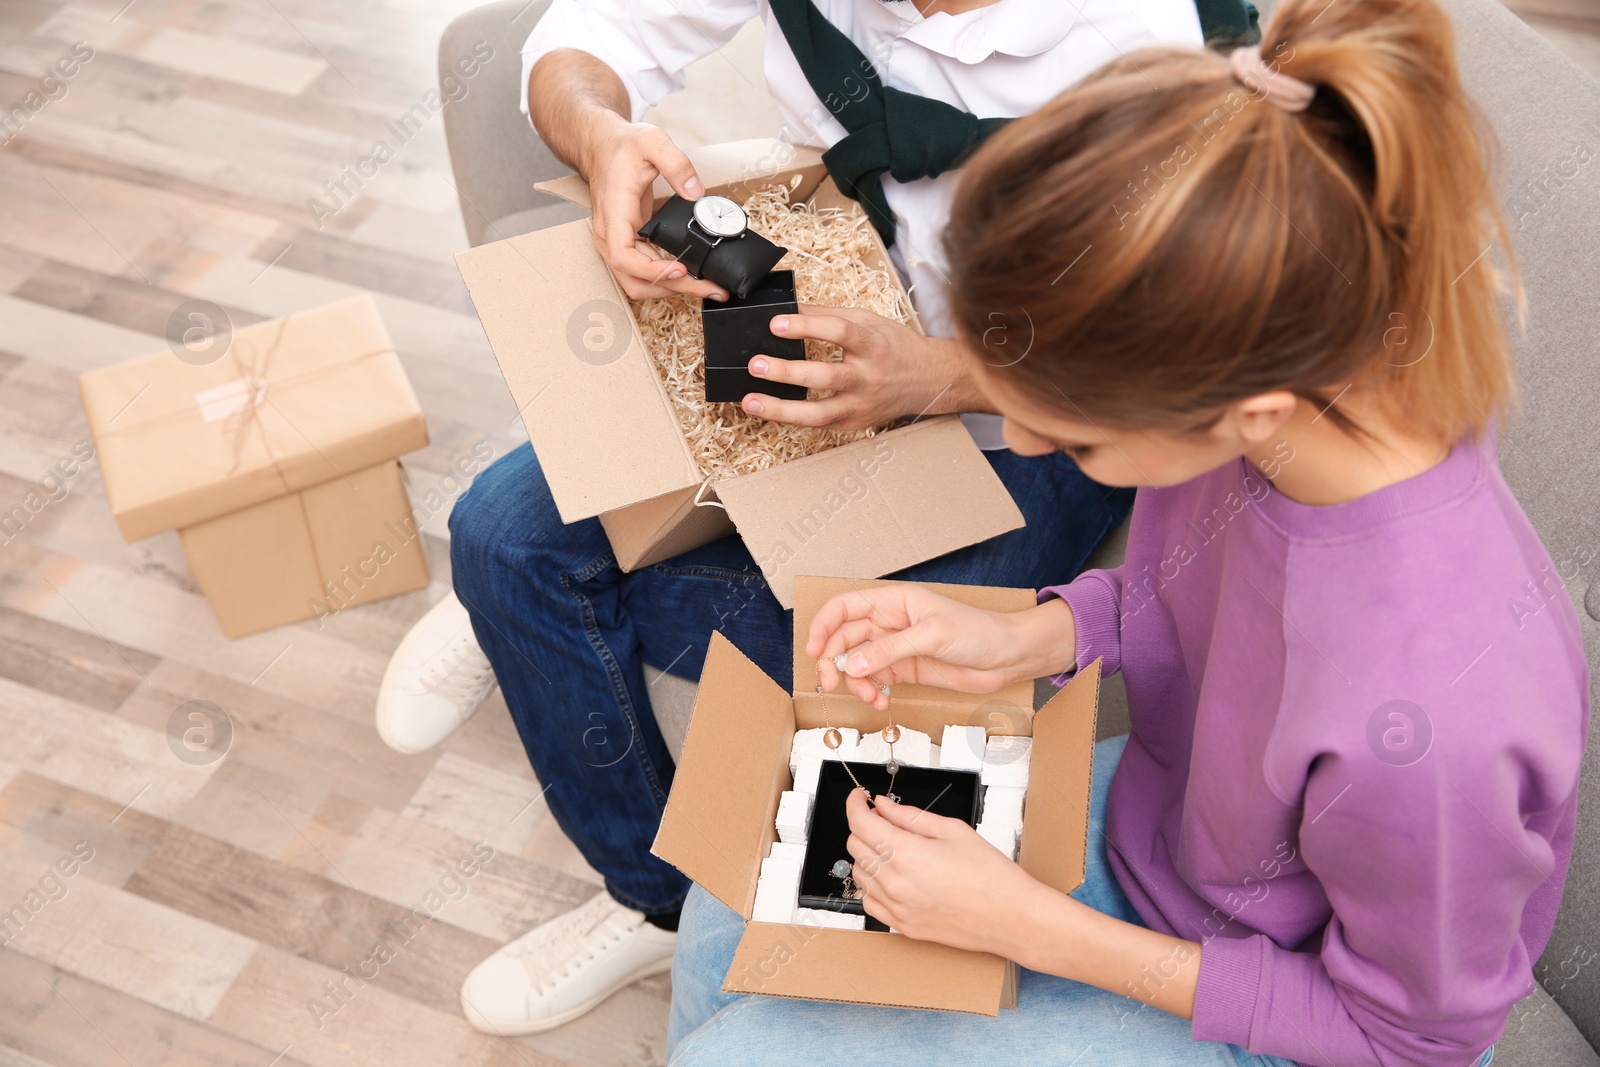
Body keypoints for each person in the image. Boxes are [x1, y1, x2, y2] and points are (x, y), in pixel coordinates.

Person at [665, 0, 1591, 1062]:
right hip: (1170, 855)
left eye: (1072, 438)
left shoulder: (1437, 718)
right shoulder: (1272, 409)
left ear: (1244, 410)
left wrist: (1026, 927)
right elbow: (1211, 601)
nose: (1014, 438)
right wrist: (1030, 634)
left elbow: (1406, 1039)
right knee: (735, 897)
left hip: (1296, 1019)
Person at [376, 0, 1260, 1037]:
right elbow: (591, 34)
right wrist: (603, 134)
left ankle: (555, 628)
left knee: (828, 679)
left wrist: (942, 376)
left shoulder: (1163, 42)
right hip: (818, 302)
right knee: (500, 537)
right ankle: (650, 898)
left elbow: (1189, 341)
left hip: (1035, 413)